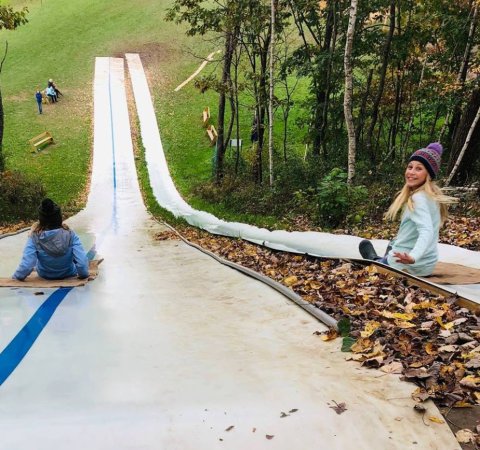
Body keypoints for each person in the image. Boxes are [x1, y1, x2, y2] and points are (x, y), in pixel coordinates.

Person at [358, 143, 456, 277]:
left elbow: (427, 231)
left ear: (429, 174)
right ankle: (390, 250)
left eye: (419, 169)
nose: (411, 172)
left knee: (377, 258)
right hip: (427, 266)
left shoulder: (418, 198)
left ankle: (375, 259)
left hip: (405, 265)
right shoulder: (433, 195)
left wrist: (413, 257)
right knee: (393, 243)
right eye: (410, 167)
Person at [12, 198, 89, 281]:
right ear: (59, 218)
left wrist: (16, 277)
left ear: (41, 219)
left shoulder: (35, 236)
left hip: (44, 275)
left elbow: (27, 264)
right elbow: (81, 262)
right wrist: (83, 274)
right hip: (68, 274)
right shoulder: (70, 234)